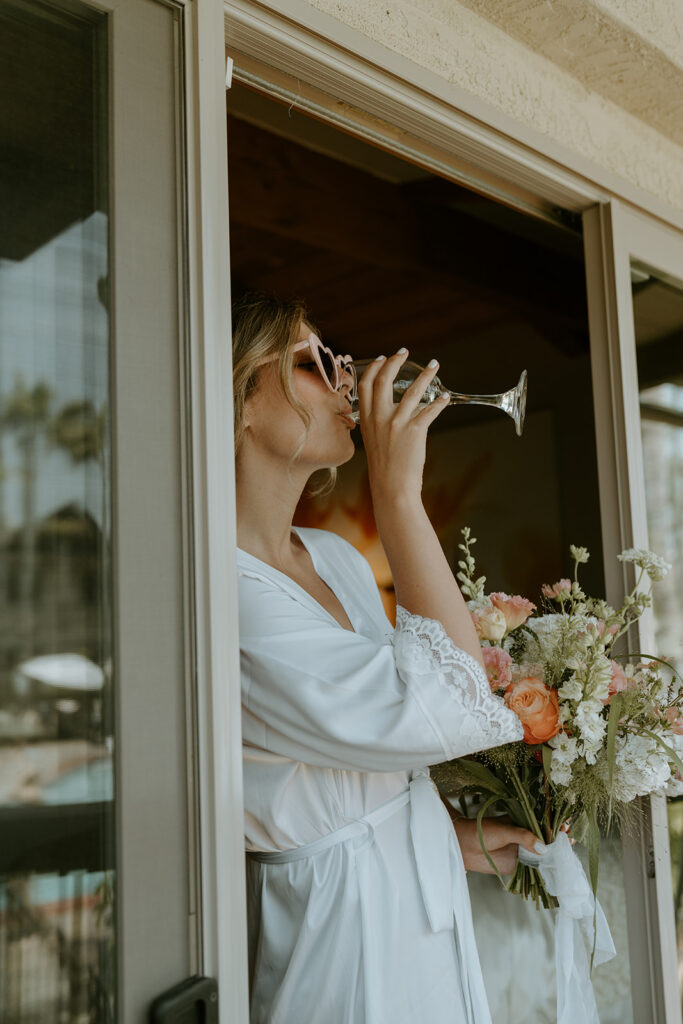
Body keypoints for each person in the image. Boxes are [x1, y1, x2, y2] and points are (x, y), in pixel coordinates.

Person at [233, 291, 539, 1024]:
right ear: (235, 398)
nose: (344, 379)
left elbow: (382, 741)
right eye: (312, 362)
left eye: (339, 360)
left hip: (417, 885)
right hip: (339, 924)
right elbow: (444, 709)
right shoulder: (222, 588)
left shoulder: (336, 556)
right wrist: (397, 490)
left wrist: (451, 834)